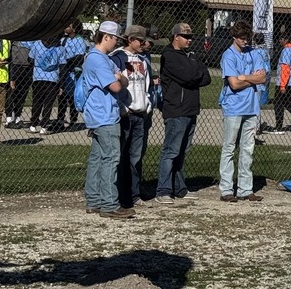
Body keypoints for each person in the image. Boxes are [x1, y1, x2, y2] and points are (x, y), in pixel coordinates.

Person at [156, 21, 212, 204]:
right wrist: (194, 72)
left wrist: (193, 72)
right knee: (171, 151)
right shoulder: (169, 56)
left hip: (190, 109)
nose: (189, 40)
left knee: (182, 151)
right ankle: (163, 189)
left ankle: (179, 188)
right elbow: (189, 77)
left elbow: (206, 78)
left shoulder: (192, 56)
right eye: (185, 37)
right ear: (175, 37)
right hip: (176, 110)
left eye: (190, 37)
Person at [82, 20, 131, 219]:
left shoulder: (103, 58)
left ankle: (94, 200)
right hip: (104, 115)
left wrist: (119, 77)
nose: (117, 43)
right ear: (106, 37)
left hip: (100, 114)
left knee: (98, 157)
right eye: (115, 39)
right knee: (111, 157)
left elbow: (124, 78)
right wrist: (118, 77)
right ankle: (109, 203)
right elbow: (118, 86)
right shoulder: (98, 59)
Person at [218, 21, 267, 202]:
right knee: (229, 147)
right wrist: (252, 79)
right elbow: (234, 84)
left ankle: (246, 189)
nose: (245, 41)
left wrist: (246, 77)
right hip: (233, 107)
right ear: (234, 37)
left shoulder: (254, 53)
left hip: (251, 106)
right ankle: (226, 189)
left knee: (248, 148)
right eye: (242, 38)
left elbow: (262, 77)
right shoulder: (228, 55)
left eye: (247, 38)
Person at [114, 24, 155, 208]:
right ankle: (120, 195)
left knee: (136, 157)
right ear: (130, 40)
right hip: (126, 114)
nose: (143, 43)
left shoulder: (143, 60)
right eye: (139, 40)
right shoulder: (118, 58)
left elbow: (146, 85)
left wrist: (147, 105)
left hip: (140, 113)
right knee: (121, 156)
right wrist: (123, 108)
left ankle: (135, 193)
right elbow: (115, 86)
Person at [57, 20, 89, 130]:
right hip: (64, 71)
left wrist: (66, 61)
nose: (66, 27)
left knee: (72, 97)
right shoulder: (63, 40)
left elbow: (79, 58)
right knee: (62, 97)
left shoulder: (79, 40)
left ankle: (73, 120)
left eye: (69, 26)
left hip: (74, 72)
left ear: (74, 29)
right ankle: (60, 120)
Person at [28, 37, 63, 134]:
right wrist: (61, 84)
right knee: (48, 103)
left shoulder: (37, 43)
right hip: (52, 78)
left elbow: (30, 59)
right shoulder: (59, 47)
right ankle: (43, 126)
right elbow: (62, 66)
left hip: (38, 77)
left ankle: (33, 124)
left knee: (37, 101)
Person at [272, 39, 291, 134]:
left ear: (285, 40)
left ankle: (279, 126)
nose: (279, 41)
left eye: (280, 39)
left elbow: (285, 68)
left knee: (278, 103)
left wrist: (282, 85)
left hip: (285, 82)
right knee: (287, 103)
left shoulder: (286, 50)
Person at [6, 40, 34, 127]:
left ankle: (17, 117)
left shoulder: (33, 39)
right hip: (16, 67)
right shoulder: (16, 41)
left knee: (22, 94)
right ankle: (9, 118)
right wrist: (12, 76)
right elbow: (12, 58)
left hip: (28, 68)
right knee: (11, 93)